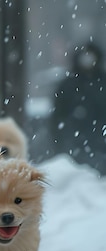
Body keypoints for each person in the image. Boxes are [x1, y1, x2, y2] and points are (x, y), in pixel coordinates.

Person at [51, 41, 106, 175]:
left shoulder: (103, 82)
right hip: (74, 142)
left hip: (100, 142)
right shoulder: (67, 84)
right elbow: (58, 115)